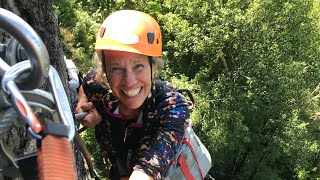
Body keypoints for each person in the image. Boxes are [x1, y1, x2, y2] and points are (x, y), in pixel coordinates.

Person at [76, 10, 191, 180]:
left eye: (138, 66)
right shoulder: (98, 87)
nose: (129, 82)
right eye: (116, 68)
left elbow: (149, 170)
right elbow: (84, 85)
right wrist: (83, 104)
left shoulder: (171, 107)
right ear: (105, 71)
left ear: (154, 67)